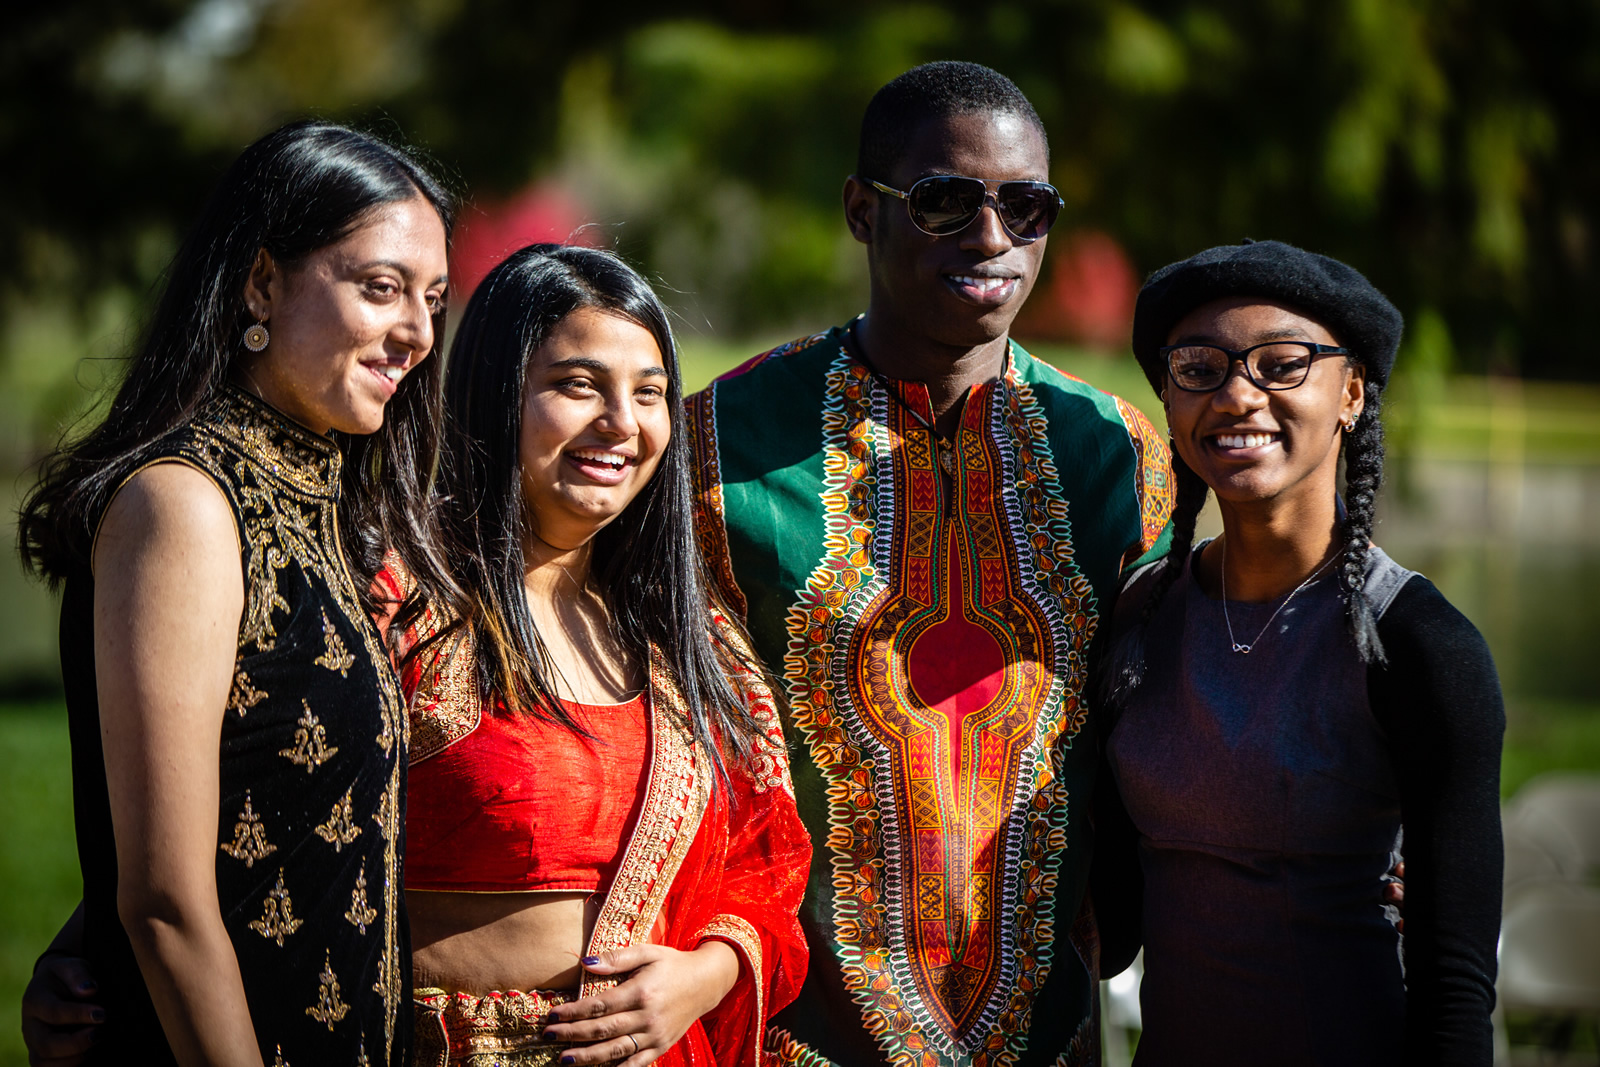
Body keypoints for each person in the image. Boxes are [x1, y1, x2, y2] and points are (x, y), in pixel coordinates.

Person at [685, 62, 1172, 1064]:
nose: (990, 239)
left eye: (1025, 207)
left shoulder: (1115, 454)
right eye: (946, 202)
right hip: (793, 1029)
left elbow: (1172, 712)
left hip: (1047, 1033)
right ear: (863, 211)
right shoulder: (721, 444)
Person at [15, 120, 455, 1065]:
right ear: (260, 283)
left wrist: (74, 945)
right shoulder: (185, 504)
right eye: (380, 287)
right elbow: (167, 904)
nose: (417, 330)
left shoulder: (331, 506)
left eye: (433, 297)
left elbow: (243, 810)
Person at [382, 243, 811, 1067]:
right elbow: (258, 812)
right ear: (496, 392)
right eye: (578, 385)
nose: (623, 422)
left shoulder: (687, 635)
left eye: (649, 393)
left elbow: (766, 864)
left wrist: (704, 974)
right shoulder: (400, 598)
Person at [1096, 240, 1504, 1064]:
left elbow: (1455, 986)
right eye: (1199, 368)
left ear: (1351, 391)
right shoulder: (1139, 616)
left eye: (1282, 364)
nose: (1238, 395)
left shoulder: (1420, 646)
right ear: (1170, 402)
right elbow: (1110, 925)